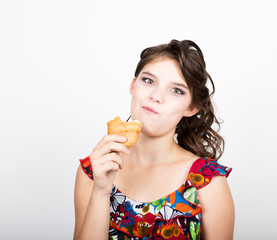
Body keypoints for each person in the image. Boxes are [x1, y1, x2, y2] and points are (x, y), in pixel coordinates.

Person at [73, 39, 235, 240]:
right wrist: (101, 192)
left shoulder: (207, 181)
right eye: (148, 81)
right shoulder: (93, 171)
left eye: (177, 90)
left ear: (190, 108)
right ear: (133, 86)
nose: (156, 96)